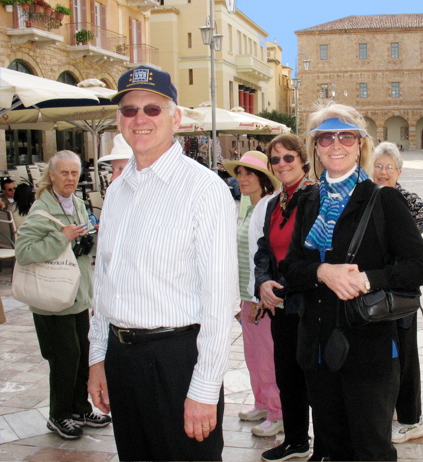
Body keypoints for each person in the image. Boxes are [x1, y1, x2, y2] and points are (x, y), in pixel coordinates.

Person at [87, 66, 238, 462]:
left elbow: (220, 301)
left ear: (176, 117)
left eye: (153, 109)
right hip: (122, 360)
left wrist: (205, 389)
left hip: (177, 360)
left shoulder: (205, 190)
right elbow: (104, 282)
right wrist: (98, 359)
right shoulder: (117, 190)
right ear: (119, 120)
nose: (140, 118)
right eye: (129, 109)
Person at [282, 102, 423, 461]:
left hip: (369, 351)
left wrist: (368, 279)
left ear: (360, 143)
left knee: (370, 448)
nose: (336, 144)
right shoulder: (309, 200)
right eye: (325, 137)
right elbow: (289, 268)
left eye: (346, 135)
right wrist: (322, 272)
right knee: (331, 447)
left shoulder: (384, 199)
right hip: (318, 349)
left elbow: (419, 267)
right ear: (315, 147)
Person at [15, 150, 110, 440]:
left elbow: (83, 245)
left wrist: (88, 240)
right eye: (64, 173)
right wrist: (62, 238)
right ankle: (58, 414)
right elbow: (25, 251)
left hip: (78, 296)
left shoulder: (79, 204)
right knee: (64, 359)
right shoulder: (42, 210)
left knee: (82, 355)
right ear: (52, 175)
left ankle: (79, 408)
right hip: (51, 302)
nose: (70, 178)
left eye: (74, 172)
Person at [373, 142, 423, 444]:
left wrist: (412, 256)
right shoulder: (368, 196)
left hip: (400, 290)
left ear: (399, 172)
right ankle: (391, 411)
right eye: (378, 166)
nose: (382, 172)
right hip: (374, 288)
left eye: (388, 167)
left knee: (405, 354)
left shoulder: (405, 198)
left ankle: (411, 419)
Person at [253, 134, 320, 462]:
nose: (282, 165)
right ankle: (296, 440)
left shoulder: (315, 197)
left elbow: (313, 255)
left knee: (315, 380)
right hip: (279, 305)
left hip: (308, 304)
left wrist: (281, 287)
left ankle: (325, 447)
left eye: (288, 158)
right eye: (275, 160)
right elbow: (265, 248)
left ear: (303, 160)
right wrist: (263, 283)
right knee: (287, 376)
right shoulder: (274, 203)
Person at [223, 151, 284, 438]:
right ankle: (262, 403)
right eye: (239, 173)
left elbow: (270, 256)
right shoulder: (248, 207)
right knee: (253, 355)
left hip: (263, 298)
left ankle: (277, 412)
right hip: (249, 296)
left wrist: (261, 297)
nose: (243, 179)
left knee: (268, 357)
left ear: (263, 179)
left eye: (249, 173)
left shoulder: (269, 207)